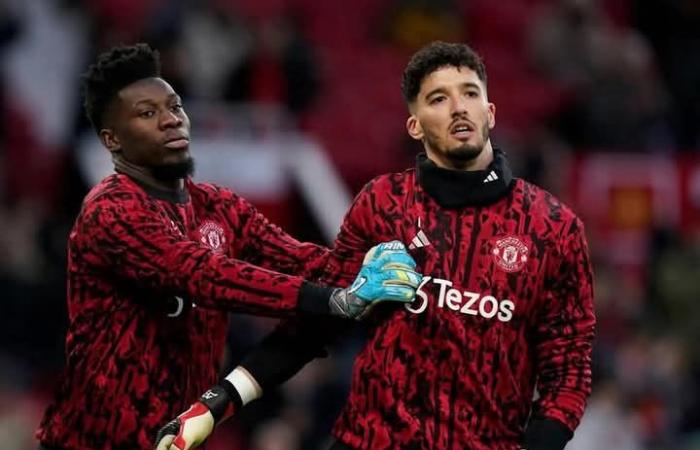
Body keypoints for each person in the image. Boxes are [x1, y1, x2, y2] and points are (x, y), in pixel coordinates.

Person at [156, 41, 596, 450]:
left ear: (491, 112)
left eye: (470, 93)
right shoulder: (383, 203)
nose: (459, 107)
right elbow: (317, 324)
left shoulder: (553, 229)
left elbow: (568, 376)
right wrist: (216, 404)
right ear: (415, 124)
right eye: (439, 98)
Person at [34, 43, 421, 450]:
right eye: (148, 114)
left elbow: (301, 259)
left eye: (175, 106)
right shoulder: (110, 210)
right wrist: (335, 300)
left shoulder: (218, 206)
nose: (171, 121)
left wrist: (377, 269)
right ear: (112, 140)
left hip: (177, 439)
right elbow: (203, 275)